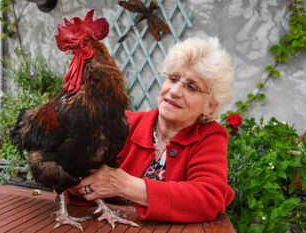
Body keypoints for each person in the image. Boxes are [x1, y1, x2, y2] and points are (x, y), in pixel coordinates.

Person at [70, 37, 235, 223]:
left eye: (191, 87)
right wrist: (80, 184)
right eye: (173, 79)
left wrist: (123, 185)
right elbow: (78, 177)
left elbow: (208, 199)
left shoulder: (209, 137)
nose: (174, 91)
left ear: (210, 106)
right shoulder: (121, 124)